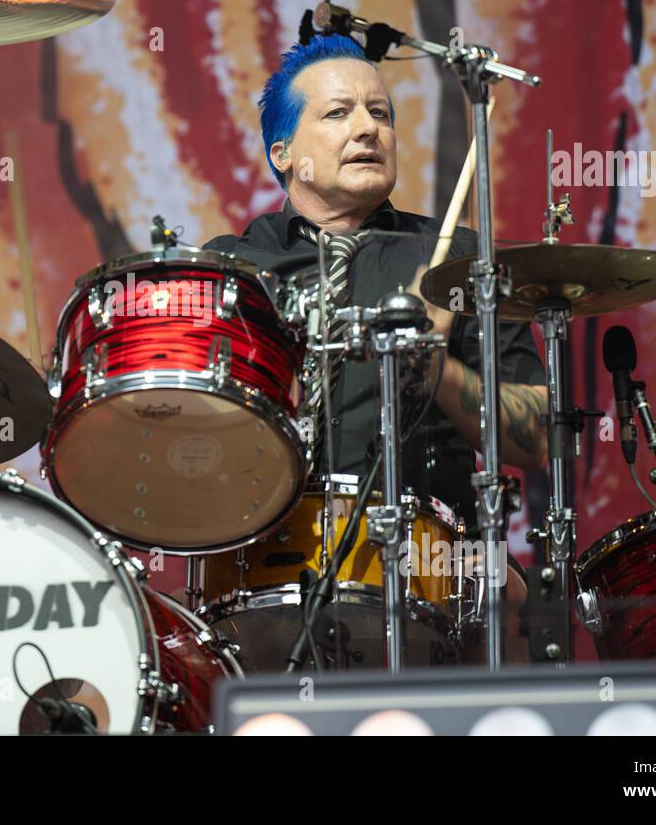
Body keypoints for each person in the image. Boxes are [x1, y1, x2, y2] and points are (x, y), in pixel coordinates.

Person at [203, 34, 548, 531]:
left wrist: (437, 368)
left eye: (381, 114)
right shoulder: (233, 266)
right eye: (338, 113)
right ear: (282, 153)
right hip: (264, 553)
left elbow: (535, 438)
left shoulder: (456, 257)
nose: (368, 129)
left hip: (425, 569)